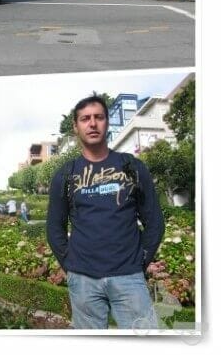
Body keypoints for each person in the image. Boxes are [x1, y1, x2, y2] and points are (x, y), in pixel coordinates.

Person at [46, 95, 164, 329]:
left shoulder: (131, 166)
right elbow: (54, 227)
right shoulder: (66, 174)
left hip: (129, 277)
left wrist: (141, 261)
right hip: (83, 280)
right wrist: (70, 264)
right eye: (85, 119)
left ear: (107, 122)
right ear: (76, 127)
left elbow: (155, 221)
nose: (92, 123)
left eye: (98, 117)